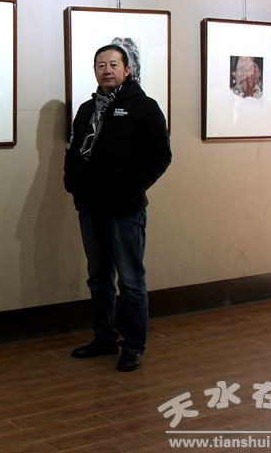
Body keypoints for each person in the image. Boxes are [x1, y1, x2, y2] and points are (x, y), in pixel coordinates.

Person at [63, 44, 171, 372]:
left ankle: (134, 344)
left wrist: (130, 186)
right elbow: (74, 149)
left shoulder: (144, 107)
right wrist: (72, 182)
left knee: (131, 280)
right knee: (98, 278)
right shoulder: (87, 109)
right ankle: (104, 337)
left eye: (113, 64)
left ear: (127, 69)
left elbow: (160, 156)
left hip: (126, 209)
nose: (107, 70)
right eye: (101, 65)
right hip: (91, 207)